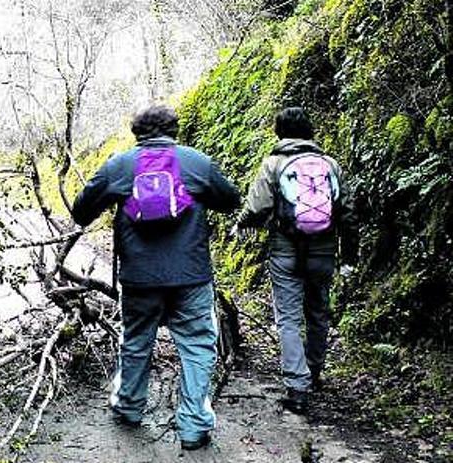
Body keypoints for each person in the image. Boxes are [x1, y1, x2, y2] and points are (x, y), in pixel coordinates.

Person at [71, 105, 241, 451]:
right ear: (174, 131)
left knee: (135, 341)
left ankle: (129, 407)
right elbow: (231, 200)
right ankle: (193, 426)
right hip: (191, 277)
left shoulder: (119, 165)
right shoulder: (196, 163)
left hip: (139, 278)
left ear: (138, 133)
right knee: (197, 347)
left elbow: (81, 211)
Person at [233, 107, 357, 414]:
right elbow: (348, 213)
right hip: (324, 251)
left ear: (279, 132)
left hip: (285, 250)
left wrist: (241, 224)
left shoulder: (274, 164)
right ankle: (314, 371)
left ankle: (297, 387)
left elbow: (258, 207)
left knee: (288, 317)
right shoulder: (330, 165)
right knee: (318, 312)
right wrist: (349, 257)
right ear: (311, 131)